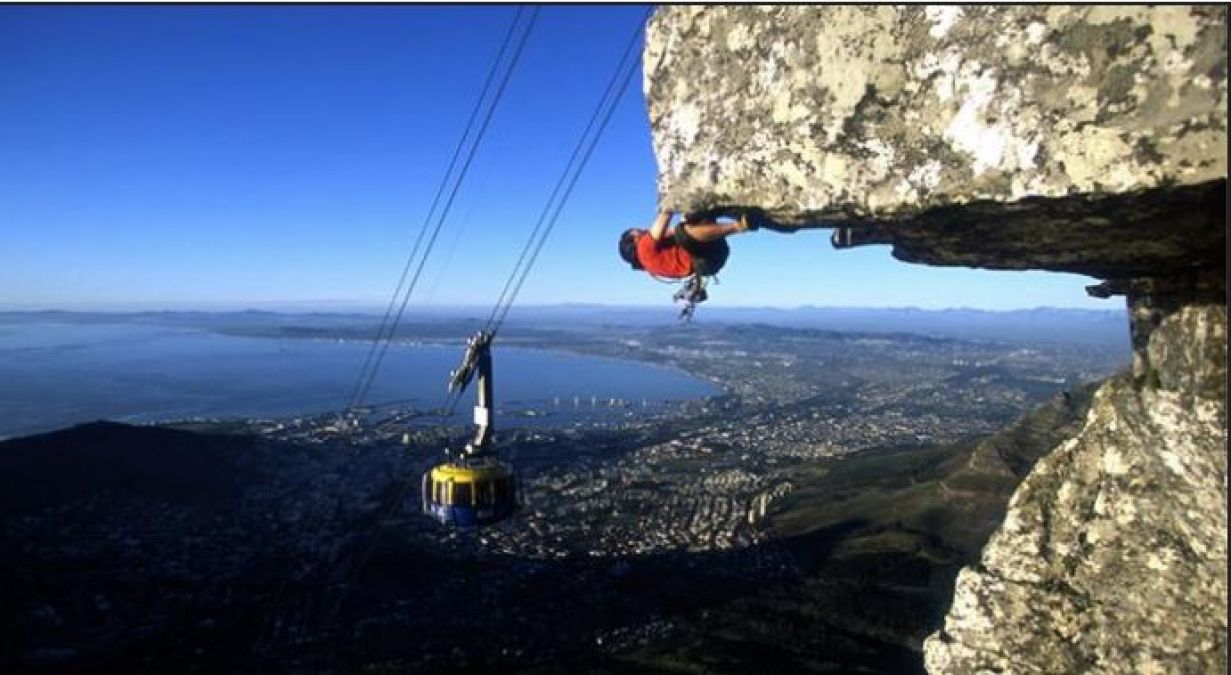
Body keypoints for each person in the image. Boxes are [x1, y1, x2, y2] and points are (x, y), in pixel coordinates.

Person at [617, 210, 754, 280]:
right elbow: (665, 215)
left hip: (708, 260)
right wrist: (670, 194)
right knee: (682, 232)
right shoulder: (643, 249)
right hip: (703, 256)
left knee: (690, 218)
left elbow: (668, 232)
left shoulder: (649, 263)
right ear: (634, 239)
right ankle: (740, 226)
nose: (642, 229)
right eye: (637, 230)